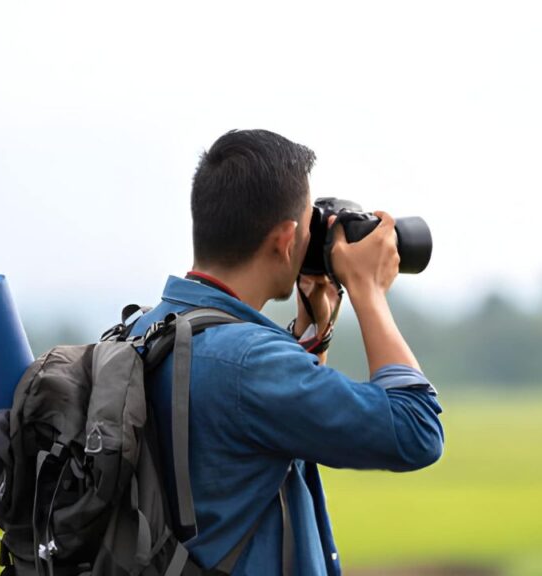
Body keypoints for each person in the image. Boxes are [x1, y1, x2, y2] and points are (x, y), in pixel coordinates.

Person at [127, 128, 444, 576]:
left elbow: (277, 424)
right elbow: (417, 430)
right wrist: (367, 290)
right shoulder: (247, 364)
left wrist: (315, 329)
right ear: (285, 239)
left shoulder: (147, 329)